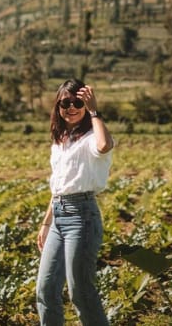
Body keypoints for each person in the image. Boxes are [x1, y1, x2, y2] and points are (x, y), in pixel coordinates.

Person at [36, 79, 115, 326]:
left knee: (80, 292)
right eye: (65, 102)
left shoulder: (92, 136)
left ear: (86, 104)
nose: (71, 107)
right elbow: (59, 186)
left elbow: (104, 146)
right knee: (46, 290)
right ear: (57, 106)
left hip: (82, 217)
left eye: (77, 102)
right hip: (59, 216)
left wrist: (94, 111)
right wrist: (47, 223)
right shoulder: (61, 140)